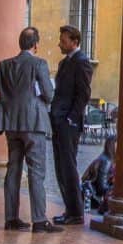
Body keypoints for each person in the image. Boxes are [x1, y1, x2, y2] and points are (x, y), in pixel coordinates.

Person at [0, 26, 61, 233]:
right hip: (34, 124)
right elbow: (49, 95)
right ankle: (39, 220)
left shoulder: (4, 65)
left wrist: (0, 108)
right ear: (36, 45)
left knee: (13, 169)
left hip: (11, 126)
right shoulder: (39, 64)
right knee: (36, 171)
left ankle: (11, 218)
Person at [50, 24, 92, 225]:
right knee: (60, 167)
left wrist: (71, 119)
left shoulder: (82, 62)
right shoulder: (65, 63)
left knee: (68, 167)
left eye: (63, 40)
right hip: (59, 121)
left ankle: (75, 212)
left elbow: (83, 94)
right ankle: (70, 210)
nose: (60, 43)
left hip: (68, 123)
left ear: (74, 42)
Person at [81, 134, 116, 214]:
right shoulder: (107, 161)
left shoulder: (105, 158)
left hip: (93, 196)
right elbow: (102, 188)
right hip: (95, 198)